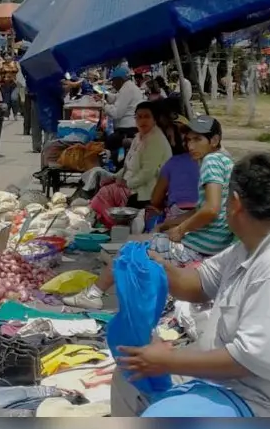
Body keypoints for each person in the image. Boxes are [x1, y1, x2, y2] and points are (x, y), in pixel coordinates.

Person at [114, 152, 270, 417]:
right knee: (129, 373)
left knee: (162, 415)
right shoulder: (252, 244)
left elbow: (248, 361)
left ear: (235, 203)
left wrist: (166, 360)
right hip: (228, 385)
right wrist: (153, 267)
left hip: (263, 405)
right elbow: (199, 283)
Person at [64, 115, 234, 309]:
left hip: (198, 247)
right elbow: (202, 208)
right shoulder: (225, 160)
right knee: (146, 239)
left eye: (198, 140)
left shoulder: (211, 162)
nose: (191, 146)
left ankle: (93, 294)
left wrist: (180, 230)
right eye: (189, 140)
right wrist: (169, 224)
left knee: (131, 246)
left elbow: (211, 209)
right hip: (212, 243)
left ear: (214, 140)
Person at [79, 101, 173, 229]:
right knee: (102, 183)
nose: (142, 120)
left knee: (105, 194)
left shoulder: (155, 140)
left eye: (147, 116)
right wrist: (115, 177)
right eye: (139, 117)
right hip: (135, 183)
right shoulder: (139, 137)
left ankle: (116, 225)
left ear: (154, 119)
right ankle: (110, 224)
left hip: (149, 189)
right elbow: (128, 165)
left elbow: (147, 172)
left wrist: (127, 183)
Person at [100, 65, 145, 171]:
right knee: (115, 147)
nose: (113, 84)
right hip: (130, 128)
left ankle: (118, 167)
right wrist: (106, 96)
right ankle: (119, 166)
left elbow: (116, 113)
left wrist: (104, 106)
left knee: (111, 144)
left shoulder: (127, 89)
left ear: (120, 80)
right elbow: (117, 98)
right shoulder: (128, 87)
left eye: (113, 81)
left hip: (127, 130)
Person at [0, 51, 20, 119]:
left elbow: (20, 72)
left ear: (11, 56)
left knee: (14, 99)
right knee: (6, 100)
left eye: (8, 56)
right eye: (5, 56)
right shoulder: (1, 64)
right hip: (4, 84)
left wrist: (19, 81)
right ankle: (6, 115)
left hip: (14, 84)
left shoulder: (16, 63)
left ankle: (15, 113)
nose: (7, 57)